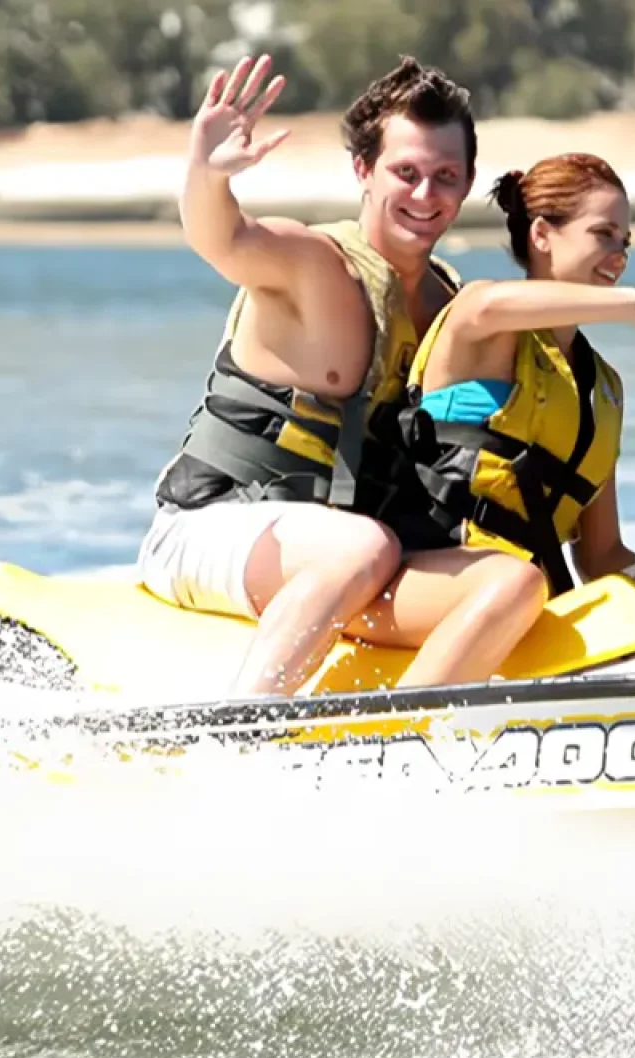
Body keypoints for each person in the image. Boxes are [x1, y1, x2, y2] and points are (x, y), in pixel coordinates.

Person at [136, 52, 478, 698]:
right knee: (367, 548)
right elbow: (226, 240)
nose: (425, 196)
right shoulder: (317, 266)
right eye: (406, 172)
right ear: (363, 171)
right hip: (206, 525)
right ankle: (247, 726)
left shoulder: (449, 306)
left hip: (327, 545)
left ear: (465, 185)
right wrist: (207, 176)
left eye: (445, 176)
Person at [337, 151, 635, 688]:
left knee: (523, 585)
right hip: (417, 580)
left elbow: (600, 554)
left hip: (519, 601)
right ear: (541, 234)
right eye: (603, 234)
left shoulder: (603, 388)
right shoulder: (484, 319)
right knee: (516, 583)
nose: (618, 256)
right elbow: (492, 308)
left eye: (625, 243)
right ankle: (401, 731)